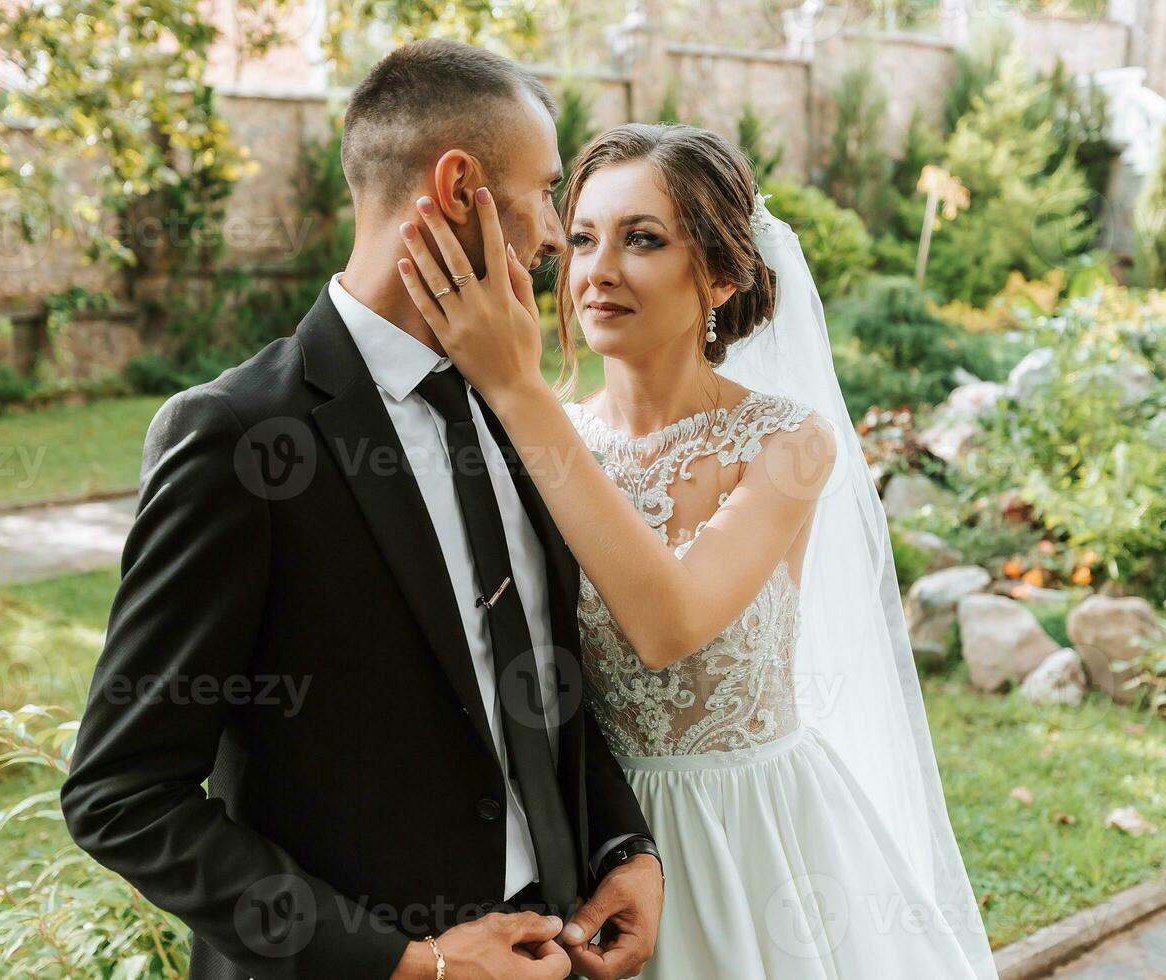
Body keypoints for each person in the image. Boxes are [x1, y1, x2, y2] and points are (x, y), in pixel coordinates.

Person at [60, 39, 663, 980]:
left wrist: (624, 849)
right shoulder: (239, 438)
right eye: (543, 192)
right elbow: (122, 794)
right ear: (459, 186)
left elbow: (541, 675)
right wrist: (411, 962)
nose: (553, 235)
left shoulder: (511, 398)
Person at [397, 121, 1000, 978]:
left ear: (718, 275)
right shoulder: (539, 439)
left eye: (642, 239)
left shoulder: (787, 445)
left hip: (748, 840)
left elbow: (668, 624)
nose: (597, 270)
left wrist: (514, 385)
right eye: (581, 238)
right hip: (580, 837)